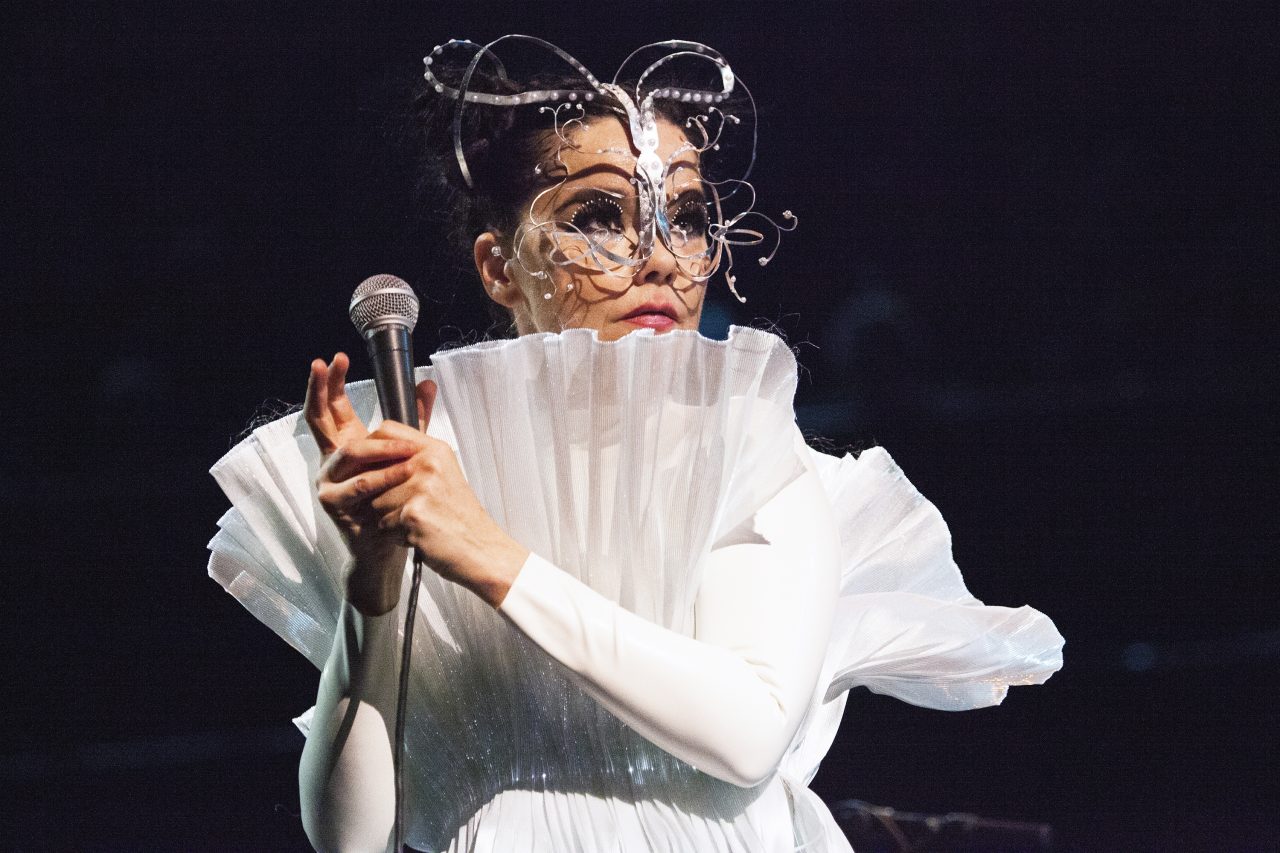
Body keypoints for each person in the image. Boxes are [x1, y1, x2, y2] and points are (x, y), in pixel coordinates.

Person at [207, 37, 1064, 853]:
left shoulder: (755, 458)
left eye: (685, 217)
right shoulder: (431, 478)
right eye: (599, 216)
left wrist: (487, 552)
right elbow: (351, 833)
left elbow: (747, 734)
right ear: (500, 266)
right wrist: (375, 589)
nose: (658, 255)